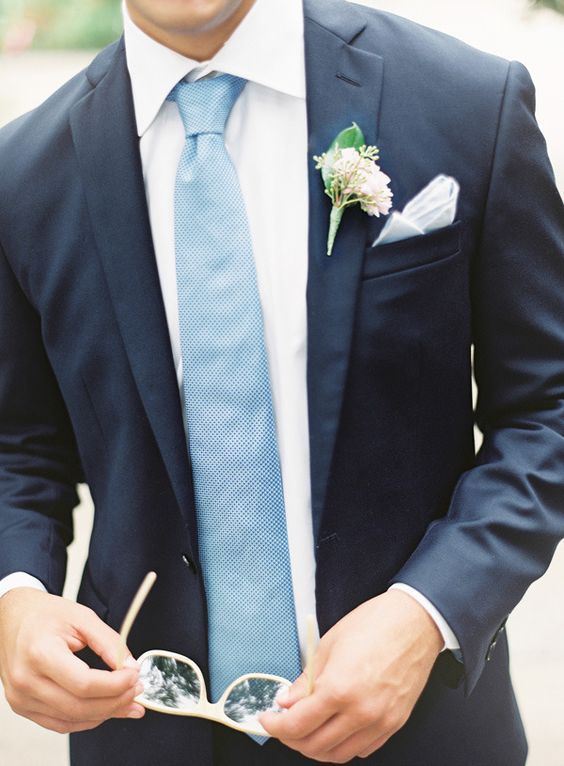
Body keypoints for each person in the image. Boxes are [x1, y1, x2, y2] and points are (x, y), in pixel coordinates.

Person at [0, 0, 562, 764]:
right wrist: (17, 595)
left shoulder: (468, 99)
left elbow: (546, 409)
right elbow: (19, 446)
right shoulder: (22, 172)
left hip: (422, 729)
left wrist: (427, 613)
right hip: (144, 733)